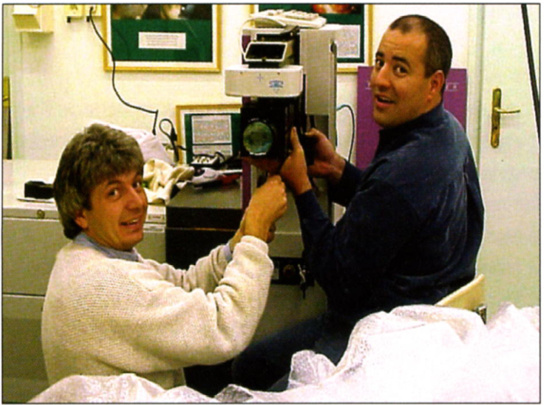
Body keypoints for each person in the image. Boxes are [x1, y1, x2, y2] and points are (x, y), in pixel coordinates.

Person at [232, 14, 485, 391]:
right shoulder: (447, 132)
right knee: (250, 365)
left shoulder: (403, 171)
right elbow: (398, 214)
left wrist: (301, 188)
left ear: (434, 84)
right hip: (425, 312)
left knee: (259, 390)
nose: (380, 79)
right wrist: (338, 170)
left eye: (400, 69)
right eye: (380, 61)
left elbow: (336, 277)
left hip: (380, 334)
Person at [41, 123, 287, 390]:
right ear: (80, 213)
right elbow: (222, 327)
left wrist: (237, 244)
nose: (136, 202)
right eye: (114, 192)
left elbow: (182, 285)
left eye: (136, 184)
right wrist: (255, 237)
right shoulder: (105, 284)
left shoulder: (85, 257)